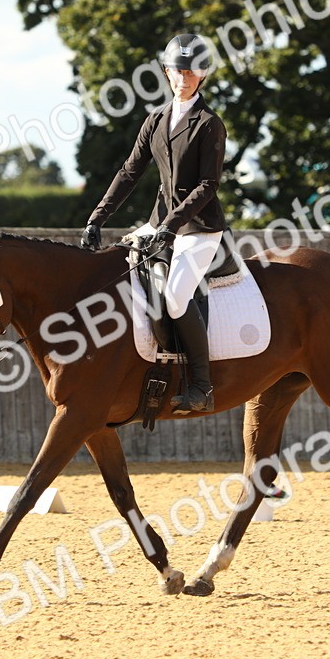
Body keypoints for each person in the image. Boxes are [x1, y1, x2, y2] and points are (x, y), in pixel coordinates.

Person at [81, 33, 228, 414]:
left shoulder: (209, 123)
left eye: (191, 71)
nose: (183, 78)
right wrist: (98, 216)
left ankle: (201, 384)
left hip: (199, 228)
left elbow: (208, 185)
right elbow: (130, 171)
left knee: (176, 297)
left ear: (203, 75)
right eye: (177, 70)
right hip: (159, 222)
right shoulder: (156, 120)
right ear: (166, 72)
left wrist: (173, 224)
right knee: (119, 268)